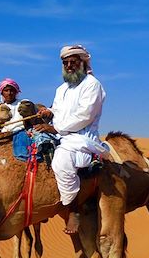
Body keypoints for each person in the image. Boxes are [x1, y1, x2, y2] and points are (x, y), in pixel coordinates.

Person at [34, 45, 108, 234]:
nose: (68, 66)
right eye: (65, 63)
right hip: (60, 134)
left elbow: (84, 116)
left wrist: (56, 127)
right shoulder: (61, 89)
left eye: (73, 62)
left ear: (82, 63)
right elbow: (58, 110)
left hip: (81, 138)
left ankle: (73, 209)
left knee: (61, 161)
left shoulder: (92, 85)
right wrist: (49, 112)